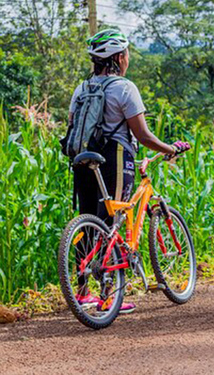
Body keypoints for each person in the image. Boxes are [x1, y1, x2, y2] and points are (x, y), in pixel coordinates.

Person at [69, 28, 189, 313]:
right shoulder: (124, 88)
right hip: (116, 156)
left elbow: (72, 124)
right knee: (113, 220)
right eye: (127, 54)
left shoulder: (82, 89)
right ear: (120, 57)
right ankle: (108, 298)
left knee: (86, 219)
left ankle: (82, 292)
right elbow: (143, 135)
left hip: (83, 157)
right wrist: (169, 149)